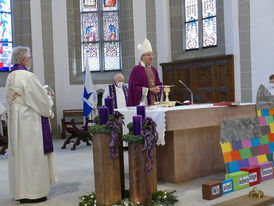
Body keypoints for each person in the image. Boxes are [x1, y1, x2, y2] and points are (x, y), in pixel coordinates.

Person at [6, 46, 57, 204]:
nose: (30, 60)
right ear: (23, 59)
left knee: (20, 157)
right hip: (29, 123)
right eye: (29, 57)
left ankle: (21, 191)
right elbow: (40, 101)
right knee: (32, 157)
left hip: (16, 122)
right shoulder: (28, 76)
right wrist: (48, 98)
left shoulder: (11, 76)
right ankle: (33, 193)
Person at [127, 39, 162, 106]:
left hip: (154, 104)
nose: (151, 57)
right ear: (142, 57)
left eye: (152, 55)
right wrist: (149, 90)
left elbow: (159, 84)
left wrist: (159, 89)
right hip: (142, 104)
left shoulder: (153, 70)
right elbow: (133, 88)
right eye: (148, 55)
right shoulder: (136, 70)